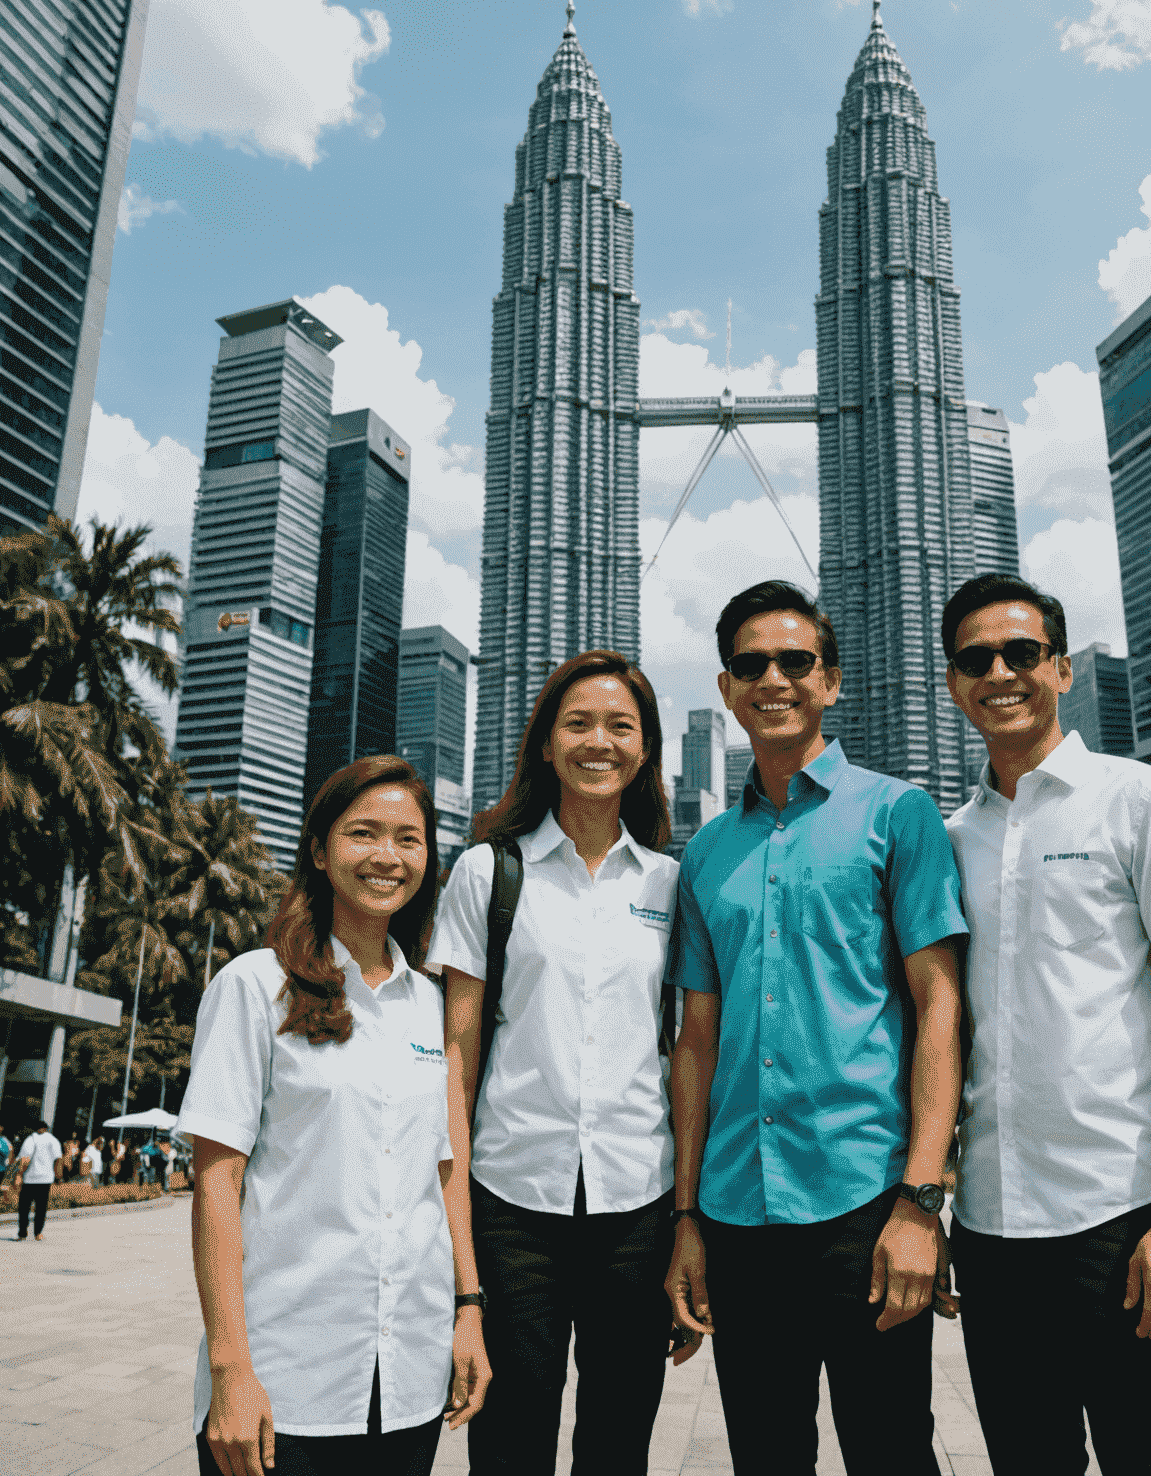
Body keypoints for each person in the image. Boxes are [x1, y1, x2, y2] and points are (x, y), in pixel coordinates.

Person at [666, 581, 966, 1476]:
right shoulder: (707, 852)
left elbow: (940, 1007)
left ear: (831, 682)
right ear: (726, 689)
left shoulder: (896, 814)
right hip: (735, 1211)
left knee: (890, 1450)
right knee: (764, 1453)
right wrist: (686, 1218)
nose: (774, 679)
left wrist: (920, 1201)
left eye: (796, 662)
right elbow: (695, 1044)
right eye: (751, 664)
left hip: (864, 1200)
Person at [940, 574, 1151, 1476]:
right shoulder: (950, 837)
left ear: (1061, 668)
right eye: (974, 659)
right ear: (954, 684)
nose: (999, 672)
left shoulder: (1142, 800)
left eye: (1021, 653)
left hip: (1122, 1217)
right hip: (991, 1228)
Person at [178, 755, 487, 1476]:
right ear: (319, 851)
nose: (387, 857)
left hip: (408, 1380)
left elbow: (445, 1172)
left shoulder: (431, 1006)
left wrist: (468, 1308)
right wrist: (230, 1371)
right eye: (363, 835)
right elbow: (216, 1185)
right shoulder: (255, 986)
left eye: (409, 839)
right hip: (285, 1381)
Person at [431, 649, 691, 1475]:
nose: (598, 741)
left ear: (645, 749)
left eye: (621, 725)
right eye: (576, 723)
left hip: (638, 1206)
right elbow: (456, 1061)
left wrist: (689, 1226)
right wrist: (461, 1249)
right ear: (545, 744)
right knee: (508, 1444)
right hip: (512, 1203)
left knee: (619, 1444)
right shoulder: (487, 871)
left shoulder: (670, 885)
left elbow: (687, 1052)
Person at [12, 1121, 64, 1241]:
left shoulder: (31, 1139)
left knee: (24, 1207)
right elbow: (59, 1159)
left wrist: (19, 1174)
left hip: (30, 1179)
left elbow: (25, 1159)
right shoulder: (53, 1140)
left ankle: (22, 1233)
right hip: (46, 1179)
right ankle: (38, 1233)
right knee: (41, 1207)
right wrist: (59, 1177)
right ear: (47, 1128)